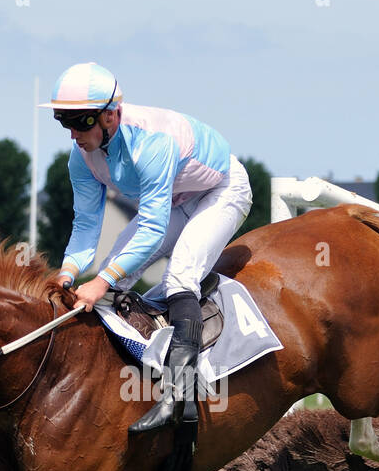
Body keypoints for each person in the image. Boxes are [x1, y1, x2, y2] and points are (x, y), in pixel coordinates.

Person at [40, 62, 252, 433]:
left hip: (220, 191)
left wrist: (101, 282)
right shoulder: (81, 157)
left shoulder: (152, 142)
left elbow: (152, 230)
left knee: (179, 276)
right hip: (175, 200)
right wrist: (67, 274)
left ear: (111, 115)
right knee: (115, 275)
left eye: (82, 122)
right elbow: (87, 224)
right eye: (65, 122)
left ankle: (180, 395)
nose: (74, 134)